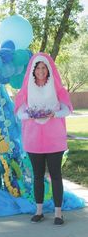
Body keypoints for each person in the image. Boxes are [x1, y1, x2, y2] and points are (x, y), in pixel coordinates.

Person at [14, 52, 73, 226]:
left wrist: (54, 113)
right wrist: (30, 114)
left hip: (54, 138)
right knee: (38, 176)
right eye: (37, 68)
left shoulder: (57, 88)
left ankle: (58, 213)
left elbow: (67, 110)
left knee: (56, 175)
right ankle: (39, 211)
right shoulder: (25, 91)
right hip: (33, 139)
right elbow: (19, 113)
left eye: (43, 67)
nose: (40, 71)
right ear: (33, 70)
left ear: (48, 70)